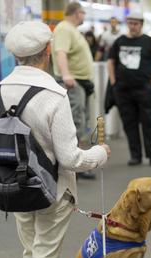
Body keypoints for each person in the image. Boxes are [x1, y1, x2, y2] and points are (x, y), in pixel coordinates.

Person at [0, 21, 110, 258]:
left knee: (30, 256)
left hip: (14, 186)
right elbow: (71, 157)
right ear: (47, 52)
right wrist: (100, 154)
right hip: (52, 190)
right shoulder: (53, 94)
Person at [107, 10, 151, 167]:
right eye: (130, 23)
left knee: (149, 123)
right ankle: (135, 155)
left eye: (136, 24)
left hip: (144, 90)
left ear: (141, 25)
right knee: (129, 124)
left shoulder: (149, 42)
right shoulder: (119, 41)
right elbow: (111, 61)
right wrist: (113, 82)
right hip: (123, 91)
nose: (133, 26)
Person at [52, 2, 97, 180]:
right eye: (83, 13)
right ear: (77, 13)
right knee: (75, 123)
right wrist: (66, 75)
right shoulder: (64, 28)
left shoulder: (71, 29)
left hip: (79, 83)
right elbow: (60, 52)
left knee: (80, 121)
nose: (83, 16)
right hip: (72, 83)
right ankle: (75, 166)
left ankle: (79, 164)